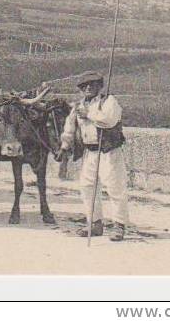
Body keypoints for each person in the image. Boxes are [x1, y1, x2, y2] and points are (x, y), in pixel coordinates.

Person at [59, 70, 128, 241]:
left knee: (115, 187)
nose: (88, 87)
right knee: (87, 187)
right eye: (84, 85)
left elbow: (109, 120)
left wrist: (89, 114)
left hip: (108, 151)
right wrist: (65, 146)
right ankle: (95, 223)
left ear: (100, 86)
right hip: (89, 152)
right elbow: (70, 127)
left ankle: (119, 225)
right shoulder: (77, 106)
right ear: (81, 89)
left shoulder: (108, 101)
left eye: (92, 84)